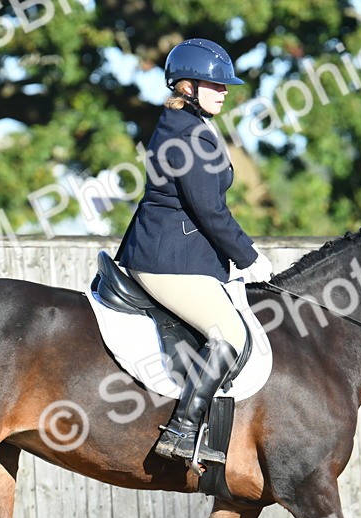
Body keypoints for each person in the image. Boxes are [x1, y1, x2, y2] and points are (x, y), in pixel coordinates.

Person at [117, 37, 274, 465]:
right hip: (166, 259)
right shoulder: (190, 135)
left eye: (225, 86)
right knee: (230, 334)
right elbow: (210, 211)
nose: (224, 92)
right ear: (187, 86)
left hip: (174, 251)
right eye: (215, 85)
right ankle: (182, 431)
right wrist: (248, 256)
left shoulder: (186, 124)